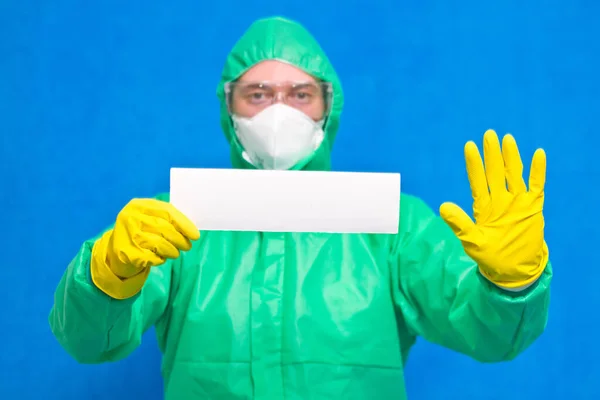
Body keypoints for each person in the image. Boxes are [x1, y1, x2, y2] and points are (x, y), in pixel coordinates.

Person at [49, 16, 552, 400]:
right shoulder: (175, 222)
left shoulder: (393, 227)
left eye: (301, 94)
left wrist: (510, 287)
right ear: (229, 107)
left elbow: (490, 337)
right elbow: (88, 343)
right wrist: (103, 279)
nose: (279, 111)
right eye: (258, 94)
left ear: (328, 106)